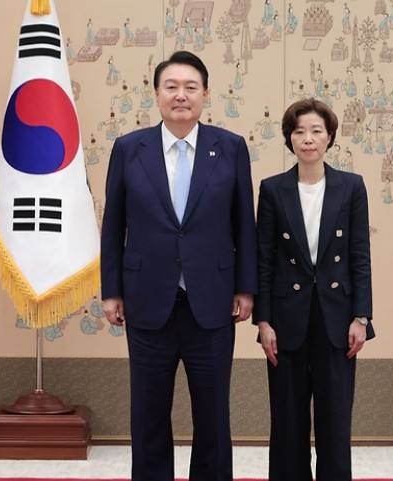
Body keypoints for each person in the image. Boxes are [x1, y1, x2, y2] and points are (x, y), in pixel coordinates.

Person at [100, 50, 258, 481]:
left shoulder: (230, 148)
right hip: (146, 301)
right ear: (156, 94)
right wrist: (112, 291)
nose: (181, 95)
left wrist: (246, 288)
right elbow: (113, 224)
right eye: (171, 87)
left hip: (213, 302)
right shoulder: (129, 149)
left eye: (191, 87)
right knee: (148, 413)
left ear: (205, 95)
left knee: (213, 416)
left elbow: (244, 224)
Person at [254, 98, 374, 481]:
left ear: (329, 137)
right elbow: (264, 260)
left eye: (316, 131)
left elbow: (359, 255)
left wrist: (361, 317)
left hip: (337, 318)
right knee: (287, 421)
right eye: (300, 131)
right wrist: (263, 321)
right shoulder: (272, 189)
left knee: (335, 421)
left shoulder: (351, 187)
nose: (308, 138)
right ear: (289, 138)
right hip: (286, 319)